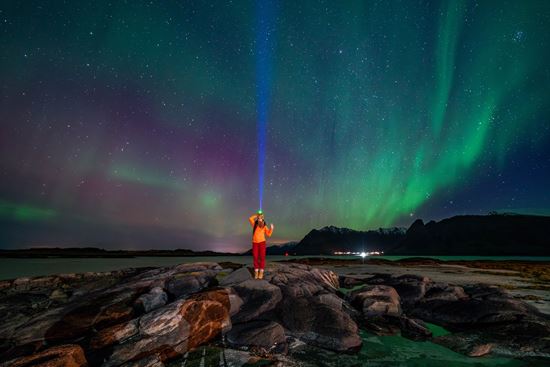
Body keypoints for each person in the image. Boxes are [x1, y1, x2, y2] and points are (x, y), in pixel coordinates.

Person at [248, 211, 274, 279]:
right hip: (255, 243)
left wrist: (271, 229)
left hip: (262, 242)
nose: (260, 218)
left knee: (262, 257)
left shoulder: (264, 226)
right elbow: (250, 218)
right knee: (255, 257)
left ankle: (261, 272)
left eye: (261, 217)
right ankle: (256, 271)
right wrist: (256, 215)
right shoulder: (254, 224)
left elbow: (269, 234)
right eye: (259, 217)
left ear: (263, 219)